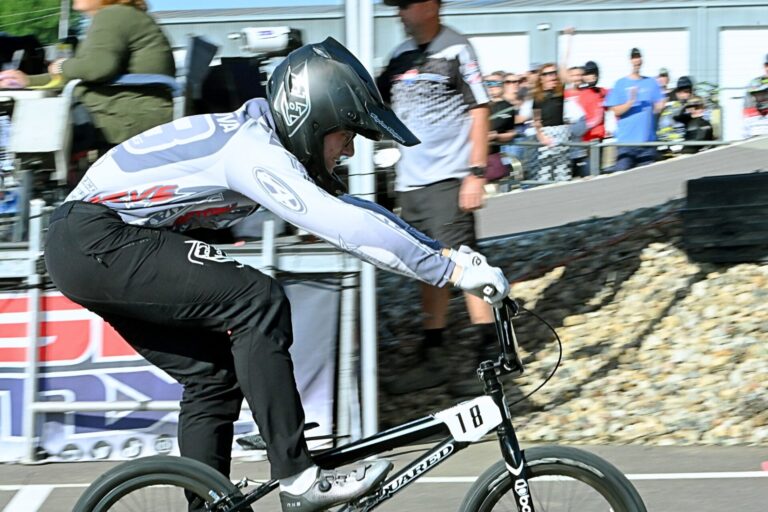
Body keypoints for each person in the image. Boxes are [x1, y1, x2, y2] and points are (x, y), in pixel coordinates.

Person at [43, 38, 510, 512]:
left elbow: (352, 208)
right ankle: (297, 476)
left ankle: (205, 505)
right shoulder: (251, 148)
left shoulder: (259, 139)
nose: (347, 151)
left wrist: (448, 257)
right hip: (96, 237)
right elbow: (345, 226)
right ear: (313, 118)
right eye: (345, 134)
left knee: (213, 378)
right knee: (257, 299)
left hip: (89, 244)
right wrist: (449, 269)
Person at [375, 0, 497, 395]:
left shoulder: (457, 49)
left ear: (429, 6)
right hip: (410, 184)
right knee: (430, 269)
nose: (399, 13)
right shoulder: (399, 56)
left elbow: (480, 109)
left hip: (449, 178)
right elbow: (375, 105)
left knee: (464, 265)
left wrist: (475, 174)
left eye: (405, 5)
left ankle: (491, 359)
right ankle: (435, 356)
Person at [0, 0, 175, 151]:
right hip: (128, 110)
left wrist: (62, 65)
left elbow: (98, 68)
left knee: (36, 125)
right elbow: (78, 74)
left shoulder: (114, 15)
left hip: (128, 116)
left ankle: (31, 186)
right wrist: (26, 80)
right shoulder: (120, 15)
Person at [604, 47, 666, 172]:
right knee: (621, 176)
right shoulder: (620, 83)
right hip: (626, 143)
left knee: (646, 180)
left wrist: (661, 106)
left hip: (647, 143)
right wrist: (630, 102)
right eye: (634, 57)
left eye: (638, 57)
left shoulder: (651, 82)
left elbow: (659, 105)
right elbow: (615, 111)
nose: (636, 60)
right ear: (630, 60)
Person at [569, 60, 608, 177]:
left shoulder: (602, 92)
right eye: (588, 74)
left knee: (595, 173)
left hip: (598, 139)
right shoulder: (577, 94)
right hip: (583, 140)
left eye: (594, 74)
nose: (591, 77)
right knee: (585, 173)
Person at [484, 72, 518, 182]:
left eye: (496, 83)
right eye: (488, 83)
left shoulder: (508, 108)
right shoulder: (478, 105)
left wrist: (496, 136)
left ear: (503, 85)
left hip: (492, 155)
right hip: (472, 155)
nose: (492, 86)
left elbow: (511, 133)